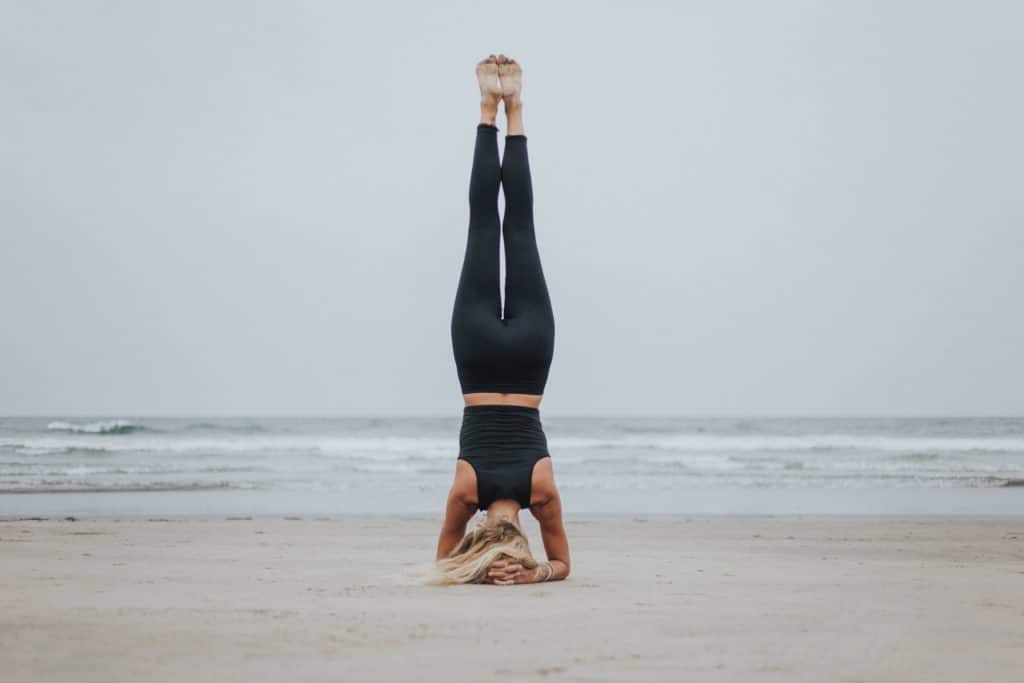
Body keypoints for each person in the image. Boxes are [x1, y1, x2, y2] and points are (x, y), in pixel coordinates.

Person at [433, 55, 571, 586]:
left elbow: (562, 564)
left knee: (503, 226)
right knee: (501, 227)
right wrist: (527, 575)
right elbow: (564, 566)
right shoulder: (478, 495)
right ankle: (502, 108)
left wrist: (532, 573)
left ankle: (501, 109)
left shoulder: (534, 495)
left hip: (509, 360)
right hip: (495, 357)